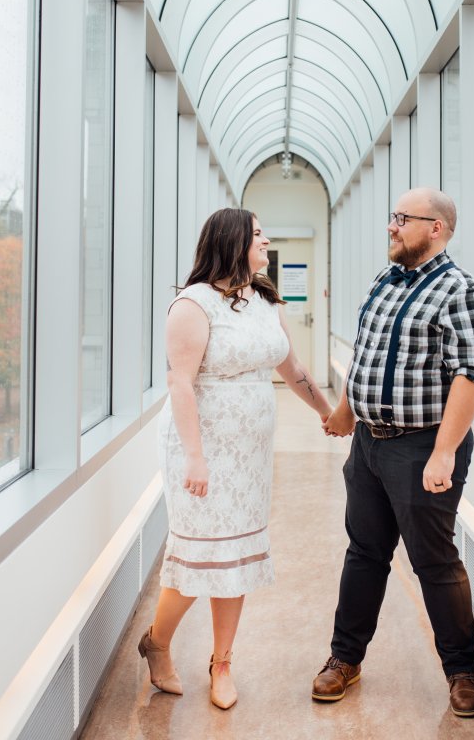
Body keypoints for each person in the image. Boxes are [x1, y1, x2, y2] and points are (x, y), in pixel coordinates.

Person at [139, 207, 333, 709]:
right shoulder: (192, 304)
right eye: (258, 234)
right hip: (200, 446)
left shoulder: (267, 298)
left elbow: (291, 367)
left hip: (250, 453)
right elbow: (180, 383)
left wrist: (327, 412)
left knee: (236, 559)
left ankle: (221, 662)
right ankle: (157, 643)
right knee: (200, 553)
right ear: (231, 242)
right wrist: (195, 459)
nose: (266, 241)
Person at [314, 188, 474, 718]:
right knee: (364, 552)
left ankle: (462, 673)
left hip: (422, 448)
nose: (391, 226)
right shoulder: (384, 282)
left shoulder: (461, 291)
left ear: (435, 228)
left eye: (402, 219)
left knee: (435, 562)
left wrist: (444, 453)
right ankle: (344, 659)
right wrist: (349, 407)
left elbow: (471, 374)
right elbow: (365, 352)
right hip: (369, 445)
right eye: (392, 216)